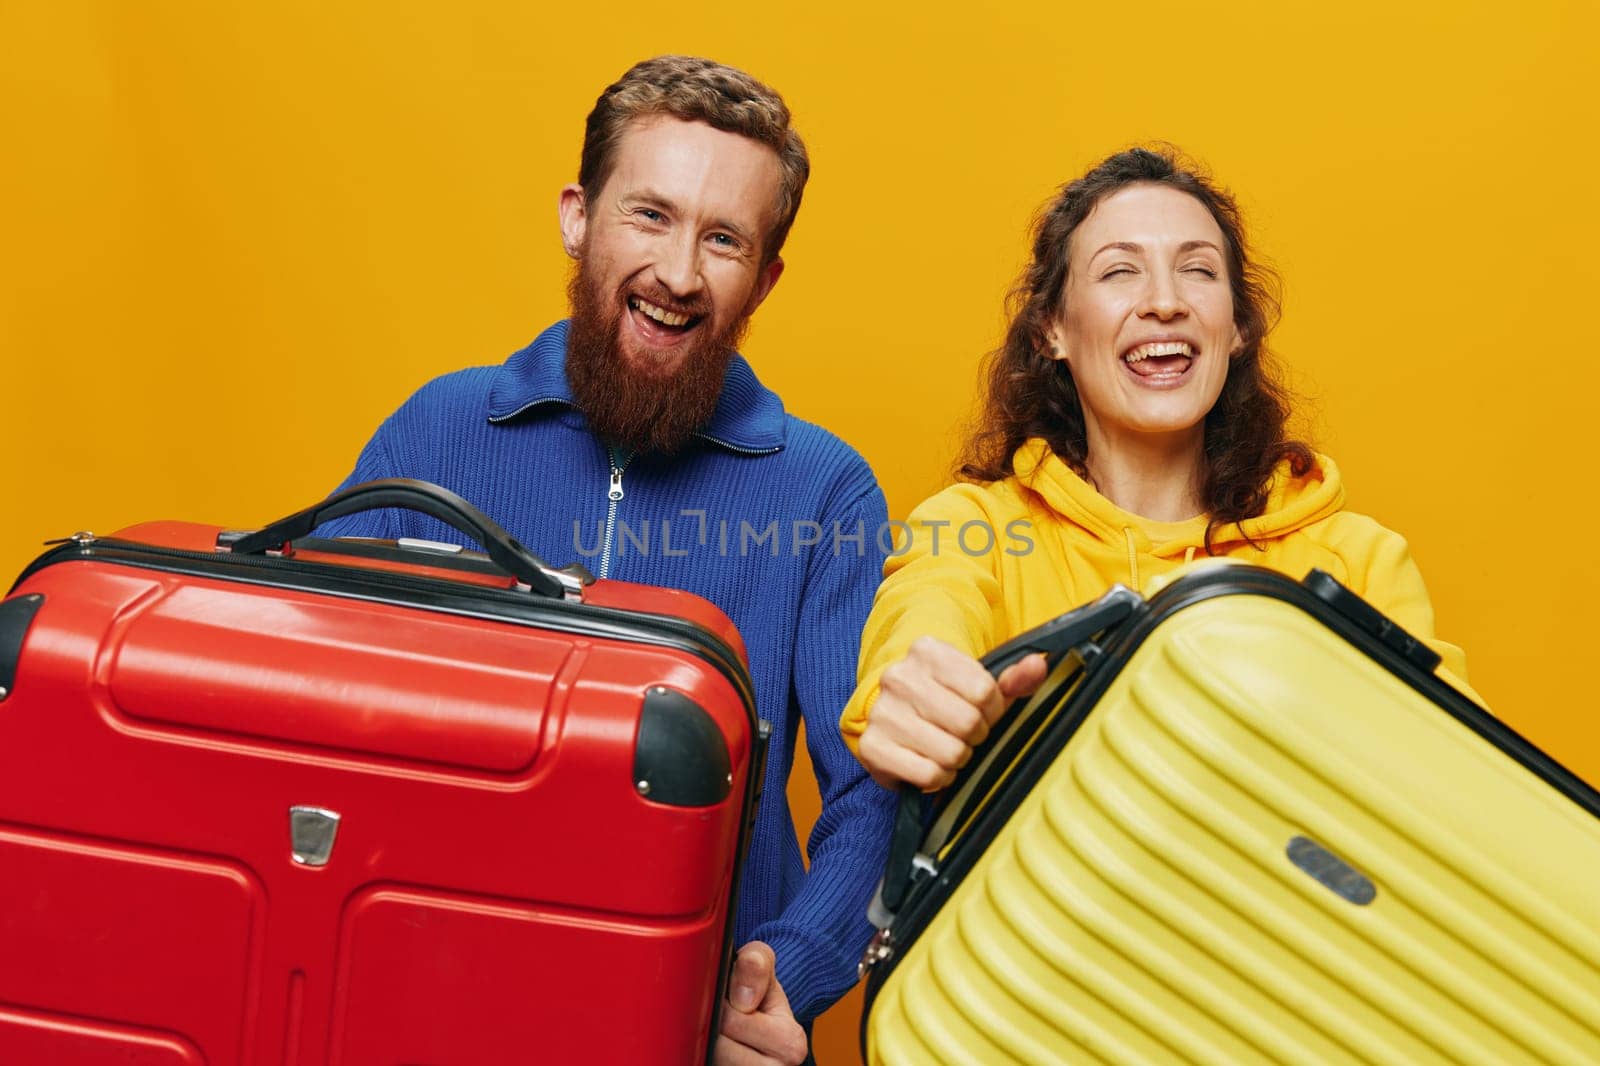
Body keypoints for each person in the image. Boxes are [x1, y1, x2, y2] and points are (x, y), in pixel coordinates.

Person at [317, 56, 893, 1063]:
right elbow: (301, 703)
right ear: (578, 217)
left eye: (723, 239)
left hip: (693, 1025)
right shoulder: (435, 428)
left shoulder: (826, 490)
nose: (678, 273)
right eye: (651, 215)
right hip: (423, 999)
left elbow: (873, 792)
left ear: (764, 277)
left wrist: (787, 975)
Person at [839, 146, 1469, 791]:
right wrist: (918, 693)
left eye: (1198, 270)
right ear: (1051, 329)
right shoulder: (973, 527)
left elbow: (1458, 776)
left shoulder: (1358, 559)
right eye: (1119, 273)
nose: (1164, 302)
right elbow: (927, 613)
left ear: (1236, 329)